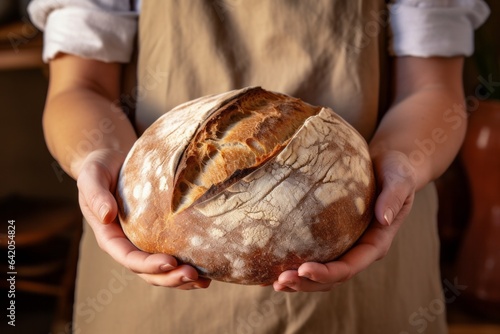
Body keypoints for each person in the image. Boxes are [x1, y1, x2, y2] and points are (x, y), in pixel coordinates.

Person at [29, 0, 490, 333]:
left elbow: (430, 89)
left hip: (368, 242)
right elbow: (80, 86)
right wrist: (95, 158)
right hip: (147, 265)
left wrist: (403, 165)